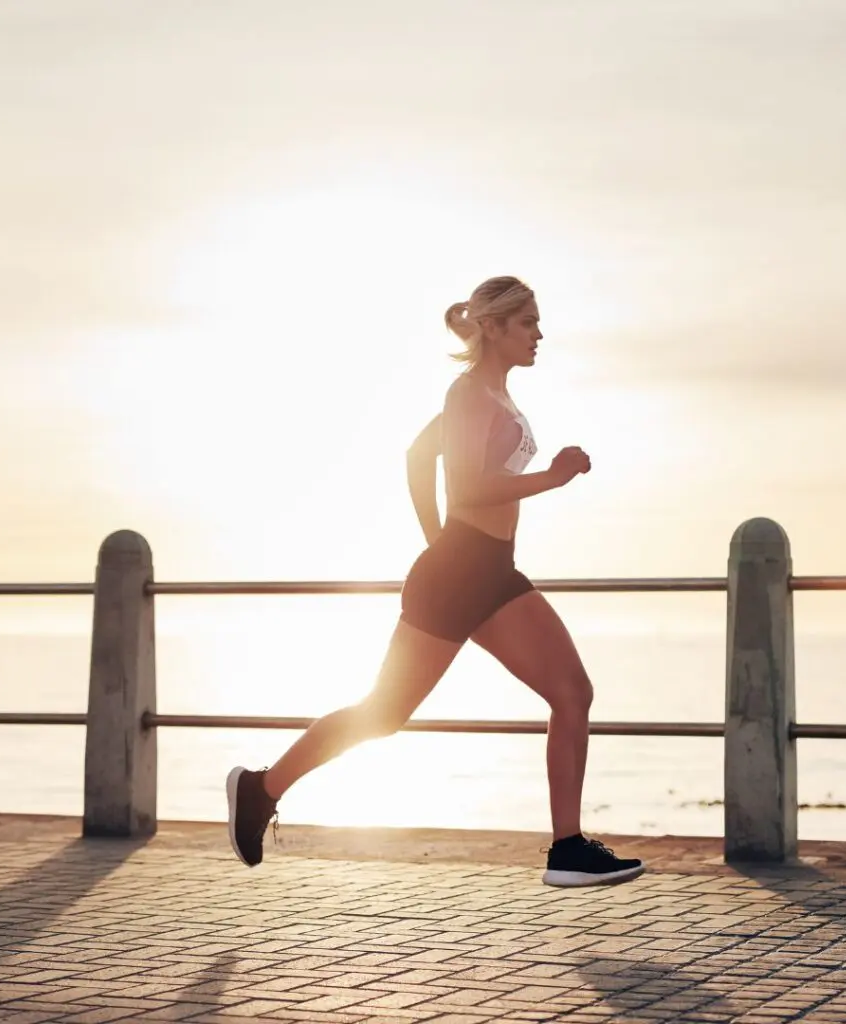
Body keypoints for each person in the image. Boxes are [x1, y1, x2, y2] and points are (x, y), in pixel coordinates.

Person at [226, 275, 645, 887]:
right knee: (383, 714)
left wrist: (440, 541)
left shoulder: (493, 396)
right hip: (459, 574)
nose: (539, 334)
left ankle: (567, 848)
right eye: (528, 322)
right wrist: (546, 480)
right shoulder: (467, 393)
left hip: (490, 572)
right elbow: (468, 487)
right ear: (495, 328)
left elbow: (419, 459)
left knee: (571, 692)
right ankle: (260, 789)